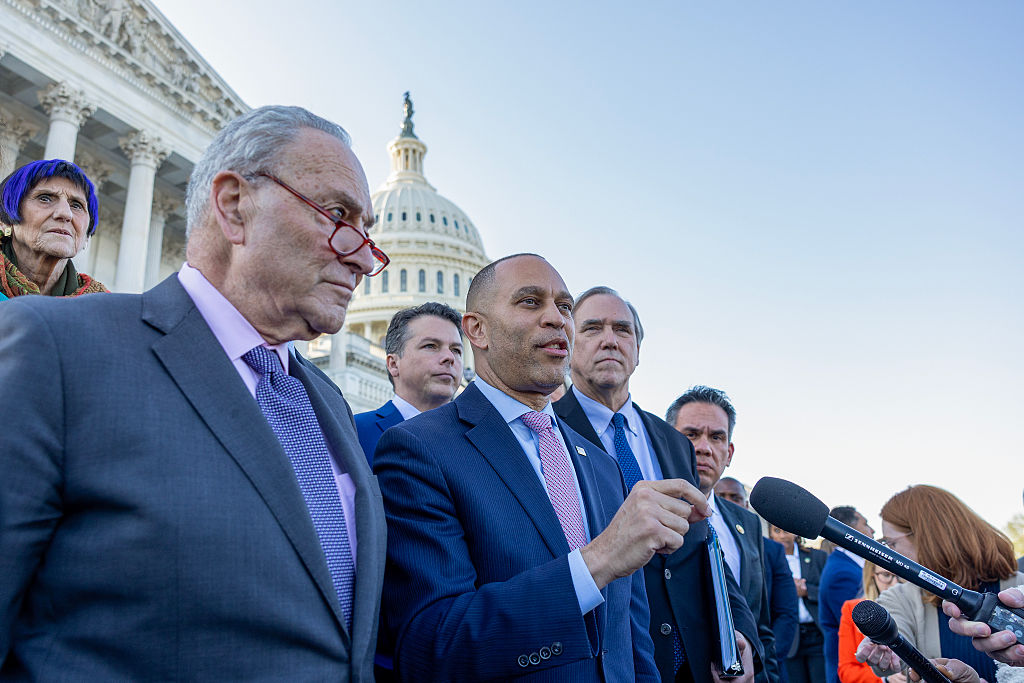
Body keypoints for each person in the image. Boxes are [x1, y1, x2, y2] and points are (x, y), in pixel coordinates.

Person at [0, 106, 389, 680]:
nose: (362, 255)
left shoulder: (327, 400)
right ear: (234, 206)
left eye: (367, 232)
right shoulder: (56, 346)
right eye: (336, 215)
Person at [375, 253, 707, 681]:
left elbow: (631, 635)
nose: (557, 319)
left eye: (565, 306)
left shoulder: (603, 465)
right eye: (530, 302)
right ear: (476, 329)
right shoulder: (419, 449)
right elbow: (432, 645)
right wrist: (597, 560)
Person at [553, 287, 762, 682]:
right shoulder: (547, 432)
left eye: (623, 329)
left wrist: (740, 635)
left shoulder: (673, 442)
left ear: (638, 350)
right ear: (567, 343)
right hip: (605, 661)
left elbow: (704, 549)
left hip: (695, 665)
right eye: (593, 328)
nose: (610, 339)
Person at [669, 385, 782, 682]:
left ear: (729, 452)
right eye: (691, 434)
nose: (704, 447)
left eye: (716, 437)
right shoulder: (652, 514)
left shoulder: (749, 523)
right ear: (667, 442)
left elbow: (760, 619)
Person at [854, 486, 1023, 683]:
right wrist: (885, 645)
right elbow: (896, 636)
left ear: (927, 538)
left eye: (892, 543)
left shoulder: (1019, 587)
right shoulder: (899, 598)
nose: (892, 554)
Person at [354, 301, 463, 462]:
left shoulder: (478, 441)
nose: (449, 357)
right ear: (393, 364)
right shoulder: (356, 433)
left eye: (456, 350)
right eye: (431, 346)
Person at [0, 158, 106, 298]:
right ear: (5, 220)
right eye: (45, 198)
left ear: (87, 236)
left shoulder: (102, 311)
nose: (65, 213)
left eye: (76, 205)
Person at [818, 506, 876, 683]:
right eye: (865, 524)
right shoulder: (842, 573)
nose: (872, 530)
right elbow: (855, 628)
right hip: (852, 667)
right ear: (849, 529)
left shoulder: (847, 565)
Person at [770, 524, 829, 683]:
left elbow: (830, 592)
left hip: (816, 633)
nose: (782, 536)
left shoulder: (818, 557)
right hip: (788, 635)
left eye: (786, 530)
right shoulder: (767, 559)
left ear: (796, 533)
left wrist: (807, 591)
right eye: (777, 531)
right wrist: (788, 590)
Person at [837, 563, 907, 683]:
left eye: (900, 576)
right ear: (871, 575)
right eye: (886, 575)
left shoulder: (917, 607)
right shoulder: (853, 610)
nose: (895, 583)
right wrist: (884, 678)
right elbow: (846, 670)